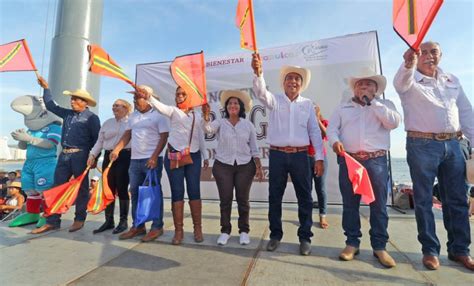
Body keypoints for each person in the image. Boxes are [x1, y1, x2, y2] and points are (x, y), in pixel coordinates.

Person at [393, 41, 474, 271]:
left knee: (458, 199)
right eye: (423, 52)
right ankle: (430, 251)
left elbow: (467, 112)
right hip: (421, 144)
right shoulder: (409, 79)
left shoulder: (452, 80)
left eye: (433, 52)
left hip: (454, 144)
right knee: (423, 200)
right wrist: (408, 63)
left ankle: (460, 250)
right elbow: (399, 82)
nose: (429, 56)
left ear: (441, 55)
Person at [251, 53, 324, 256]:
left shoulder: (308, 104)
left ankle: (305, 237)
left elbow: (314, 132)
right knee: (275, 196)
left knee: (305, 198)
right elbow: (260, 92)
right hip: (278, 156)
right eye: (289, 78)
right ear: (283, 83)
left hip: (301, 156)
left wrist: (319, 157)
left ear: (301, 84)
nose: (293, 81)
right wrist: (258, 73)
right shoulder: (274, 100)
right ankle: (275, 235)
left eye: (297, 79)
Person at [327, 69, 401, 268]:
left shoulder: (385, 105)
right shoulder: (343, 107)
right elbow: (332, 129)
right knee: (350, 204)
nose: (363, 87)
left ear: (376, 88)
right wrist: (335, 142)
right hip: (350, 161)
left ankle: (379, 247)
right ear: (354, 88)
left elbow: (393, 123)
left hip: (376, 161)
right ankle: (352, 243)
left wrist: (373, 103)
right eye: (360, 84)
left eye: (368, 84)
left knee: (378, 205)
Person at [138, 85, 209, 245]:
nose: (180, 96)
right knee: (177, 192)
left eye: (183, 94)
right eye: (178, 94)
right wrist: (149, 97)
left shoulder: (197, 115)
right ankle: (179, 231)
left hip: (194, 156)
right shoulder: (172, 111)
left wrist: (205, 156)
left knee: (194, 190)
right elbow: (161, 107)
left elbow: (201, 136)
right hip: (174, 156)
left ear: (190, 97)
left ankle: (198, 229)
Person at [32, 76, 101, 234]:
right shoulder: (68, 114)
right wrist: (46, 88)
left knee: (82, 189)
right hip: (64, 156)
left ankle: (79, 219)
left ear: (85, 102)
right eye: (71, 99)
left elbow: (97, 139)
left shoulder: (92, 118)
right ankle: (53, 221)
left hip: (81, 156)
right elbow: (50, 105)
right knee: (57, 187)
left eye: (76, 99)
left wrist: (94, 158)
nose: (72, 101)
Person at [202, 90, 264, 246]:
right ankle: (225, 231)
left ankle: (244, 231)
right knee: (225, 200)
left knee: (243, 200)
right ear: (226, 108)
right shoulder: (220, 123)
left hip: (245, 166)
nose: (233, 105)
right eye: (230, 103)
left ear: (241, 106)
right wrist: (205, 116)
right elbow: (207, 129)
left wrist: (258, 166)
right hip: (223, 166)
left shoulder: (248, 125)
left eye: (236, 103)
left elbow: (255, 148)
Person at [111, 85, 169, 242]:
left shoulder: (159, 115)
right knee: (135, 192)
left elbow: (164, 137)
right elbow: (127, 135)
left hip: (152, 161)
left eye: (138, 98)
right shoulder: (133, 116)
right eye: (134, 98)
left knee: (153, 193)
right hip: (134, 161)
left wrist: (155, 156)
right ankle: (138, 225)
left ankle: (157, 227)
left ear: (148, 99)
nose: (135, 100)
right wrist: (116, 149)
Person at [88, 99, 132, 234]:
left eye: (118, 105)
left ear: (126, 108)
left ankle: (123, 221)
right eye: (113, 105)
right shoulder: (107, 123)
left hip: (124, 156)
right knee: (108, 189)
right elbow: (99, 142)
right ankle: (109, 221)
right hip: (108, 157)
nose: (114, 107)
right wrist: (92, 155)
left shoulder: (131, 122)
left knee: (122, 188)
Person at [308, 105, 329, 229]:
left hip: (320, 158)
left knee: (320, 188)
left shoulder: (324, 122)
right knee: (307, 188)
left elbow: (326, 134)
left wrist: (317, 120)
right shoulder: (304, 123)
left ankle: (323, 215)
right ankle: (307, 216)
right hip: (305, 158)